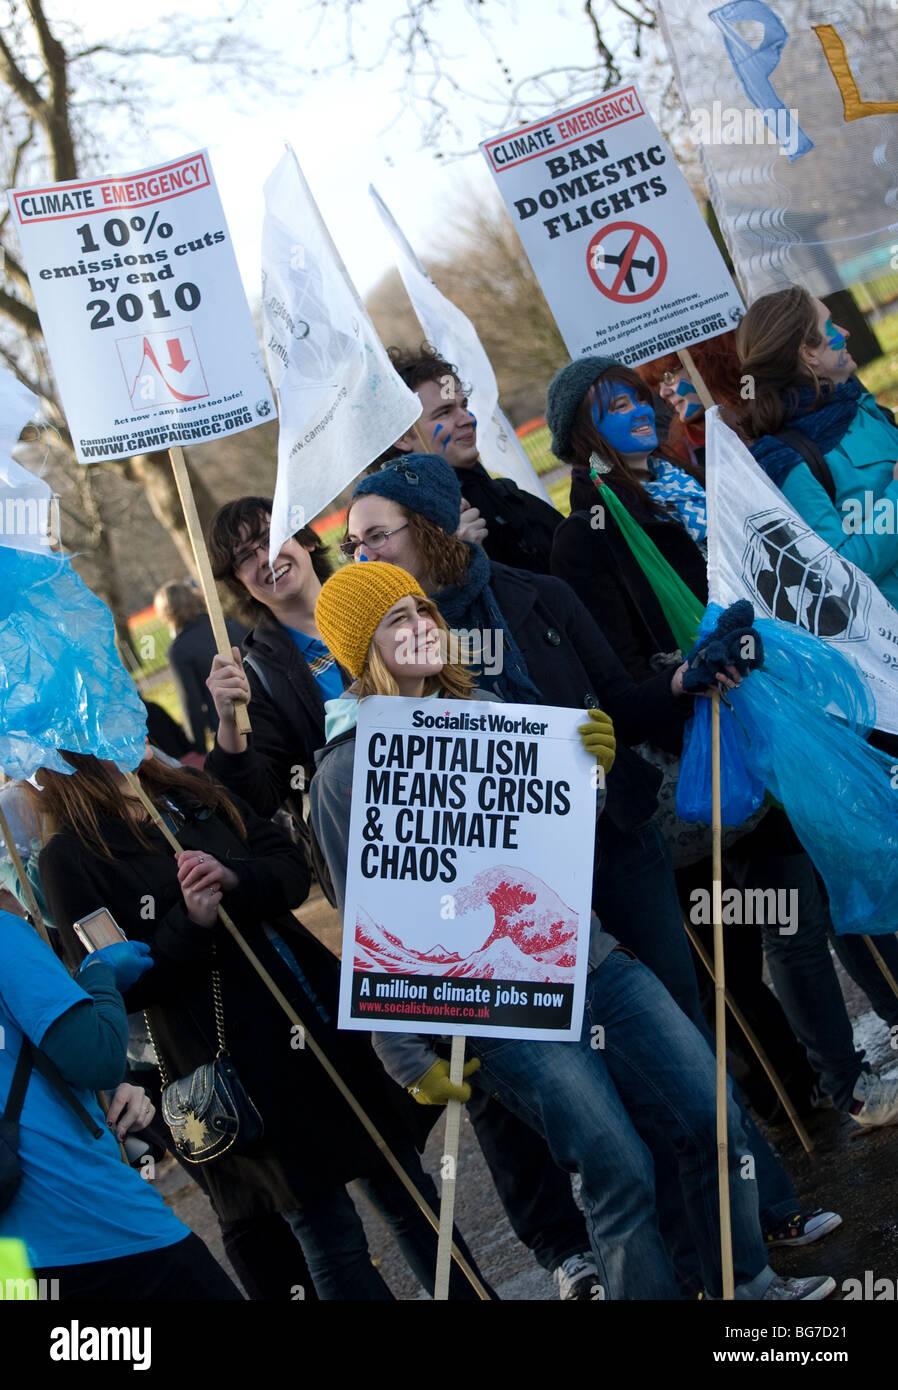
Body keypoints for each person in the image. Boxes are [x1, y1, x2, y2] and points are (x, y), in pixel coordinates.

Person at [343, 454, 837, 1266]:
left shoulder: (538, 593)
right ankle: (692, 1261)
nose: (362, 555)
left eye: (376, 537)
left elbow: (615, 695)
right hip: (526, 901)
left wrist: (680, 680)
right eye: (352, 546)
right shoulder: (396, 646)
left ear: (426, 526)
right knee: (613, 1090)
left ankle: (763, 1212)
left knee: (682, 1044)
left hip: (618, 849)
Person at [545, 351, 898, 1129]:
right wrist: (696, 672)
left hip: (778, 709)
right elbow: (621, 672)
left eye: (639, 396)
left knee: (843, 865)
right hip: (711, 746)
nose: (640, 410)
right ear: (582, 431)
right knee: (792, 920)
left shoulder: (687, 489)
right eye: (614, 404)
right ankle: (846, 1087)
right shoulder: (587, 535)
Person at [32, 749, 489, 1301]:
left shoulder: (186, 792)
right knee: (328, 1234)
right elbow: (116, 982)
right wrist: (190, 921)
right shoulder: (69, 855)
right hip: (239, 1065)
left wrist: (235, 877)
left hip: (317, 1019)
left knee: (409, 1194)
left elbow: (292, 870)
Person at [0, 904, 242, 1300]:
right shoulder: (4, 936)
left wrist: (109, 1092)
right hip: (92, 1222)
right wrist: (100, 975)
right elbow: (95, 1058)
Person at [737, 286, 898, 606]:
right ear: (808, 354)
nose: (845, 331)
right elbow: (840, 572)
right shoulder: (786, 458)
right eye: (831, 325)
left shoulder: (856, 402)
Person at [379, 342, 563, 572]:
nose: (467, 419)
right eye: (444, 412)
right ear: (403, 437)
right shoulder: (401, 536)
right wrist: (455, 559)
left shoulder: (507, 495)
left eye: (463, 406)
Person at [154, 580, 247, 756]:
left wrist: (199, 750)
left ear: (167, 613)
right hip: (266, 709)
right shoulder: (230, 624)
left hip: (230, 727)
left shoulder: (179, 650)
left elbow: (192, 704)